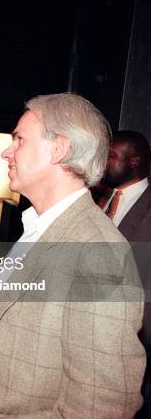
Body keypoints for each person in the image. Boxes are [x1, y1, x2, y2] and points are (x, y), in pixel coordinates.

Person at [0, 93, 146, 417]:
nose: (6, 152)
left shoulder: (98, 252)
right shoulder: (36, 228)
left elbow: (101, 406)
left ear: (60, 149)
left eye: (19, 140)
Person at [102, 130, 151, 418]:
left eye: (111, 155)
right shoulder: (105, 198)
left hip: (128, 339)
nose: (104, 162)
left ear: (133, 161)